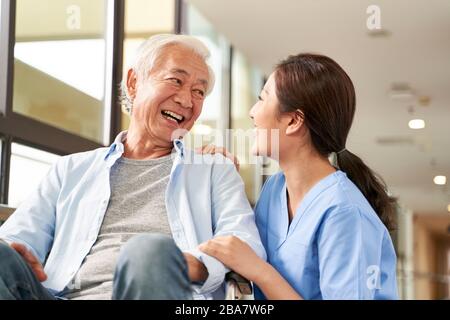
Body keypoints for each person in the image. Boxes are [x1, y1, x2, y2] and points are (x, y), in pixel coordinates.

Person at [0, 34, 265, 300]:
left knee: (149, 251)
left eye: (199, 91)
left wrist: (187, 264)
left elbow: (243, 241)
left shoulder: (213, 170)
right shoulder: (70, 170)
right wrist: (15, 252)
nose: (187, 100)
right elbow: (17, 238)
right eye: (176, 80)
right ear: (134, 82)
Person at [199, 53, 398, 299]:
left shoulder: (344, 212)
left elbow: (251, 262)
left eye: (262, 99)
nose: (252, 112)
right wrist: (219, 182)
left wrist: (261, 272)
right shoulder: (274, 188)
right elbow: (235, 244)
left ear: (293, 120)